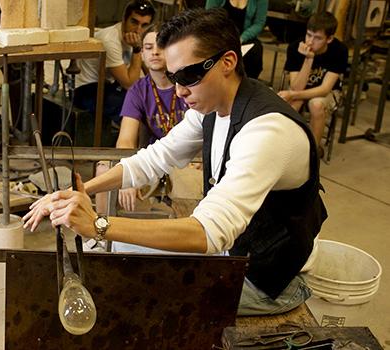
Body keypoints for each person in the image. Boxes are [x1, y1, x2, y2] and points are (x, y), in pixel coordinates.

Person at [23, 7, 327, 316]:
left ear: (228, 62)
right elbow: (154, 158)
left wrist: (99, 224)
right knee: (106, 258)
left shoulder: (266, 131)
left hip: (270, 280)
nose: (180, 91)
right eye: (173, 77)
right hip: (237, 251)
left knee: (130, 296)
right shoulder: (211, 106)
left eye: (189, 76)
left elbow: (207, 232)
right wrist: (82, 191)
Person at [95, 23, 188, 216]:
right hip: (153, 156)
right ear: (142, 55)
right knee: (104, 168)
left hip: (187, 157)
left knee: (191, 183)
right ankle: (100, 235)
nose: (154, 52)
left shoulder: (187, 83)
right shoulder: (138, 90)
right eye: (148, 48)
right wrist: (129, 173)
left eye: (161, 46)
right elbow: (126, 139)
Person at [74, 0, 156, 127]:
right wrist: (137, 49)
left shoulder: (138, 38)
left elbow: (151, 74)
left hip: (109, 85)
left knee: (149, 98)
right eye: (134, 22)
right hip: (86, 89)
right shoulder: (110, 40)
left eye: (144, 25)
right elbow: (129, 84)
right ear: (124, 19)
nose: (138, 30)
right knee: (135, 104)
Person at [278, 11, 348, 149]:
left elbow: (325, 89)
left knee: (316, 105)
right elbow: (297, 87)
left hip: (326, 93)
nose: (310, 41)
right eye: (309, 35)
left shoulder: (339, 50)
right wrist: (308, 59)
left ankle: (313, 153)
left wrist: (292, 94)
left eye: (317, 38)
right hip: (301, 89)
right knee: (291, 106)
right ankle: (283, 147)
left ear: (329, 39)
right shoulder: (295, 47)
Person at [205, 0, 268, 79]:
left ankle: (247, 85)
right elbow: (209, 18)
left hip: (243, 38)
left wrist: (242, 38)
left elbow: (259, 23)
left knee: (256, 50)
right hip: (220, 36)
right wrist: (224, 38)